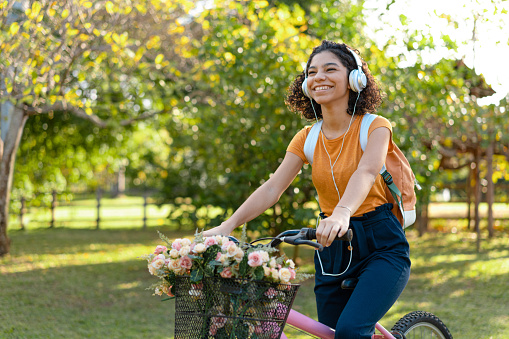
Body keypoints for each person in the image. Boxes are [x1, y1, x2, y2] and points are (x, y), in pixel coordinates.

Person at [204, 40, 411, 339]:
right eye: (312, 72)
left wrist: (341, 213)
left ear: (355, 79)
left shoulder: (375, 126)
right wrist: (228, 225)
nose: (318, 77)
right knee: (328, 332)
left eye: (330, 69)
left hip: (380, 243)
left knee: (351, 331)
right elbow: (273, 187)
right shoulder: (306, 138)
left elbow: (366, 171)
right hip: (331, 247)